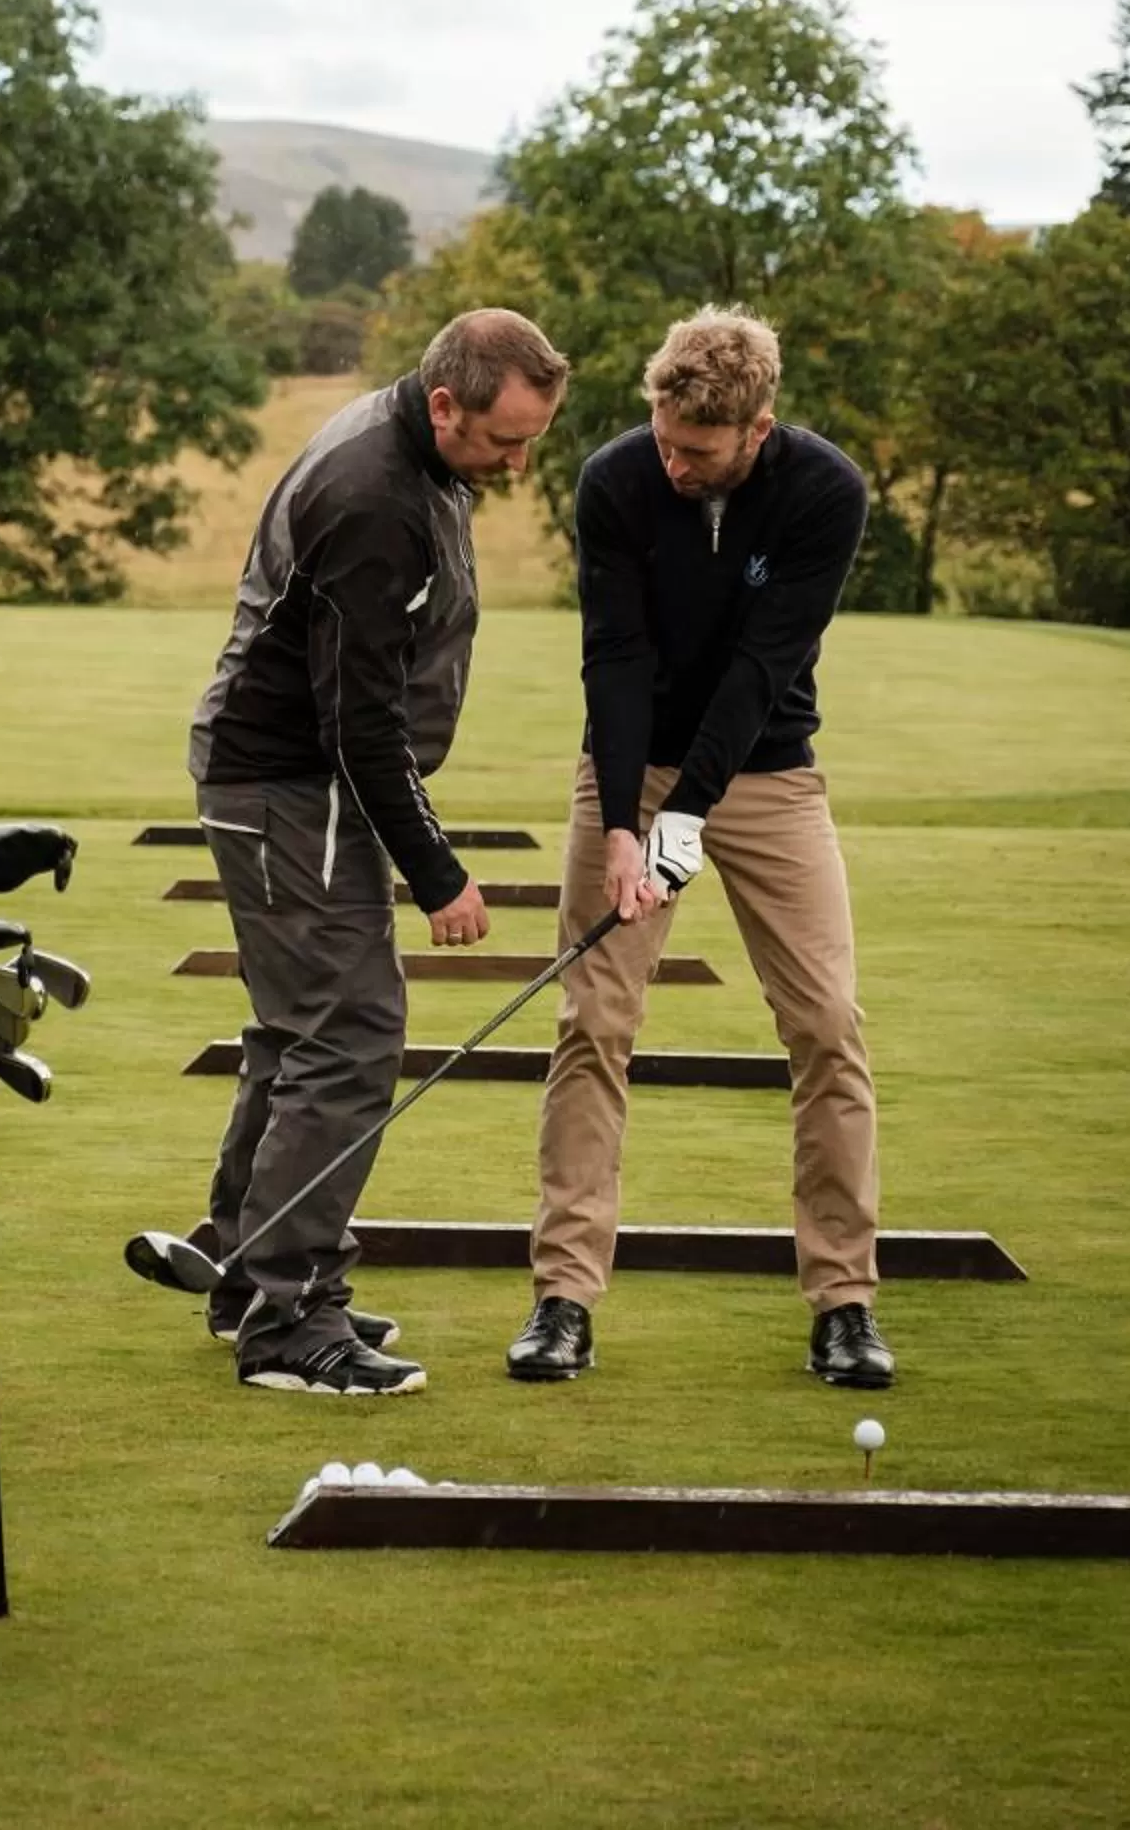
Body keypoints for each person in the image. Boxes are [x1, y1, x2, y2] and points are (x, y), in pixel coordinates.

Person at [507, 305, 893, 1391]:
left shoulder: (824, 492)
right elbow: (614, 656)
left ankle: (843, 1303)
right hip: (626, 768)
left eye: (698, 452)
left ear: (756, 430)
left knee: (824, 1024)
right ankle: (562, 1298)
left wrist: (692, 816)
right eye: (664, 438)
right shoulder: (615, 480)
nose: (673, 464)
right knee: (593, 1021)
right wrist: (631, 822)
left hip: (769, 771)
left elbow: (763, 666)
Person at [188, 306, 569, 1396]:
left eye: (531, 440)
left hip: (287, 784)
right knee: (349, 1037)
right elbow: (357, 723)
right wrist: (437, 871)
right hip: (287, 787)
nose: (515, 462)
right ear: (443, 402)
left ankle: (242, 1272)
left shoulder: (418, 451)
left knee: (296, 1033)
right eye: (501, 441)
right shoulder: (373, 498)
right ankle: (287, 1316)